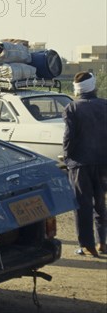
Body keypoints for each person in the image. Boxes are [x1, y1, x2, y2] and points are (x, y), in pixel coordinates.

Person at [63, 71, 107, 257]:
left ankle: (86, 245)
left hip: (80, 164)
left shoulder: (72, 108)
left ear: (77, 89)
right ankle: (101, 243)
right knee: (100, 203)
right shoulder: (105, 105)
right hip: (103, 163)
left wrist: (66, 158)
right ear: (93, 87)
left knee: (83, 205)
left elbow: (68, 138)